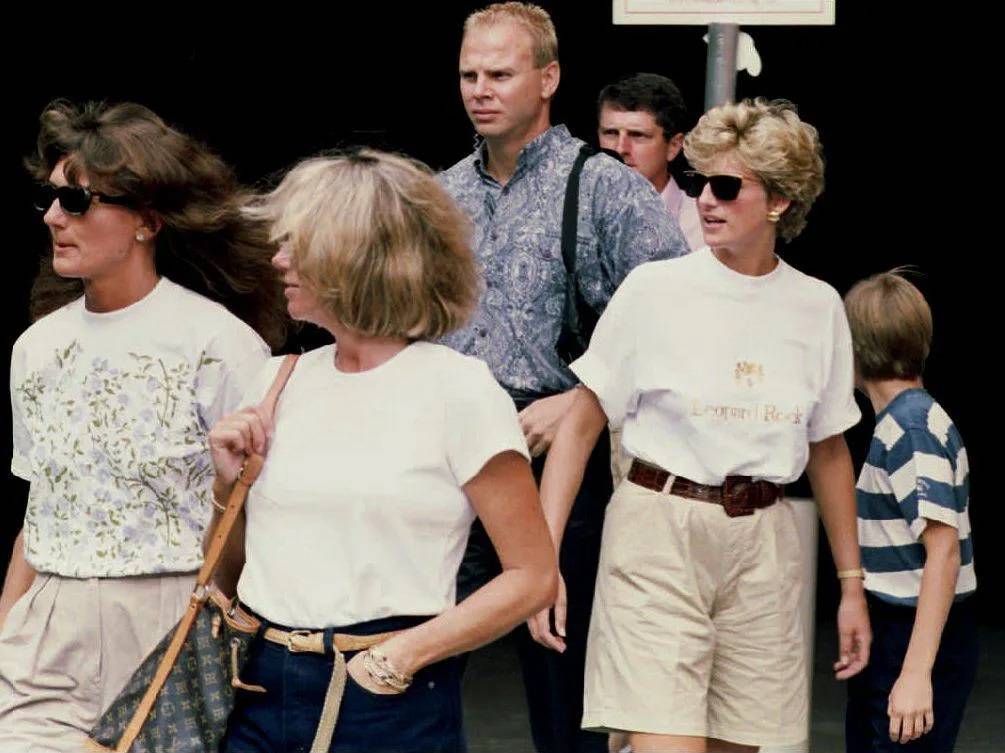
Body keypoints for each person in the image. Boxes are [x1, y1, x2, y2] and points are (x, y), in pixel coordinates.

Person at [530, 98, 871, 752]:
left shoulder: (816, 305)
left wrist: (850, 584)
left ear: (778, 200)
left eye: (725, 185)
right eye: (697, 181)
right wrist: (542, 562)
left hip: (767, 545)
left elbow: (828, 448)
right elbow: (579, 425)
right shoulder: (654, 290)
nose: (704, 199)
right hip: (659, 534)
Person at [210, 149, 558, 753]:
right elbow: (227, 568)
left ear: (355, 255)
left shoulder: (459, 389)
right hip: (259, 682)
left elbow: (532, 577)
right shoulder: (276, 380)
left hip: (387, 693)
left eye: (299, 244)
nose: (280, 259)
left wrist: (404, 655)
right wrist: (226, 488)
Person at [439, 5, 687, 751]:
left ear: (547, 78)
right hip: (449, 456)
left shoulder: (608, 188)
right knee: (416, 654)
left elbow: (680, 323)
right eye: (468, 75)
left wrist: (583, 396)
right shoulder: (440, 193)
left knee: (560, 676)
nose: (481, 90)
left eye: (500, 74)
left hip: (558, 462)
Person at [0, 100, 281, 751]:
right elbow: (41, 506)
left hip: (171, 621)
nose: (52, 217)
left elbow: (255, 511)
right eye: (50, 198)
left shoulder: (220, 345)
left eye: (77, 201)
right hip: (45, 632)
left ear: (146, 222)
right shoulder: (35, 349)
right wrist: (9, 629)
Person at [843, 270, 977, 751]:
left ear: (853, 348)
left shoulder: (911, 431)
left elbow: (942, 552)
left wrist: (916, 673)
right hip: (895, 628)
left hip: (916, 635)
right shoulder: (901, 424)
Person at [597, 72, 704, 251]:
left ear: (674, 146)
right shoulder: (571, 217)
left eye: (638, 135)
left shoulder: (703, 228)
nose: (620, 148)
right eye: (611, 133)